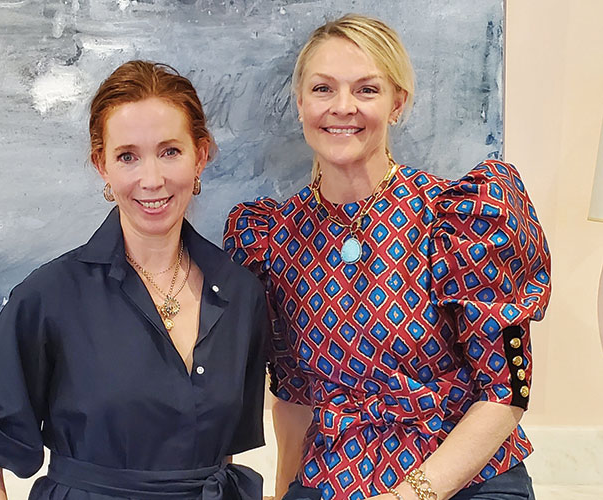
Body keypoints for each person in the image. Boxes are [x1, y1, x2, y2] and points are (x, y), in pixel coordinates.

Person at [224, 14, 551, 500]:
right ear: (300, 103)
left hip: (467, 479)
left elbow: (505, 393)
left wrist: (411, 495)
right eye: (323, 89)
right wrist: (286, 491)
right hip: (331, 477)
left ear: (397, 103)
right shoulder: (274, 238)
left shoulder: (456, 218)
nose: (342, 106)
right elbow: (294, 398)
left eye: (366, 90)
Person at [0, 60, 268, 500]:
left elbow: (221, 453)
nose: (151, 179)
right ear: (102, 166)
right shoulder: (50, 296)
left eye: (170, 151)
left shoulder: (241, 294)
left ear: (201, 155)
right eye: (127, 157)